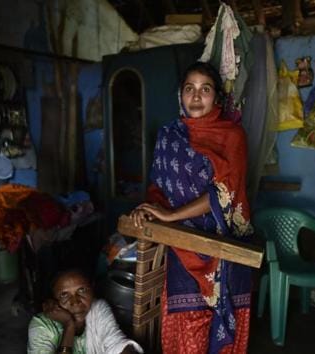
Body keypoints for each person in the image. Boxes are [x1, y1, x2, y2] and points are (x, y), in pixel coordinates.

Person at [130, 61, 253, 354]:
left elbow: (225, 192)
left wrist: (171, 215)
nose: (196, 97)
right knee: (187, 327)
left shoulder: (233, 136)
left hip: (227, 247)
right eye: (189, 89)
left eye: (205, 89)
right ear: (180, 96)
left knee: (225, 331)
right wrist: (149, 208)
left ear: (217, 98)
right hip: (182, 248)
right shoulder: (168, 135)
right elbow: (158, 187)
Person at [27, 268, 143, 354]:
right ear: (53, 300)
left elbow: (116, 342)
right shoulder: (41, 325)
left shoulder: (97, 309)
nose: (75, 301)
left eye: (82, 290)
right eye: (64, 295)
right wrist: (69, 326)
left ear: (92, 290)